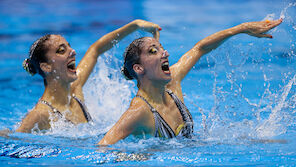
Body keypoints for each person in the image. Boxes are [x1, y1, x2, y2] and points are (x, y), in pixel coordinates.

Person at [98, 19, 283, 145]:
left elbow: (200, 48)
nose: (165, 53)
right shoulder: (139, 111)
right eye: (153, 51)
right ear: (138, 68)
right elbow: (103, 146)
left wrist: (242, 29)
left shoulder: (172, 81)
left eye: (162, 48)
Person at [8, 19, 161, 134]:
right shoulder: (41, 114)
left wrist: (134, 26)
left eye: (69, 46)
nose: (73, 51)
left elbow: (95, 49)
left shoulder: (75, 89)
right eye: (62, 50)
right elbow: (15, 139)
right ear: (46, 66)